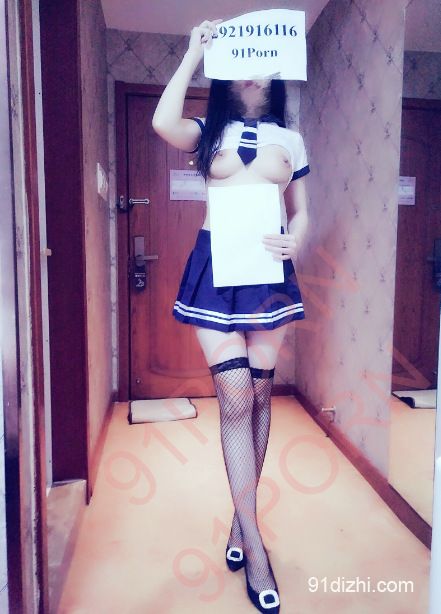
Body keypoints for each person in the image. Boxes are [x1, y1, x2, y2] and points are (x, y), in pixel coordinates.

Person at [152, 18, 310, 614]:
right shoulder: (206, 130)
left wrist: (297, 237)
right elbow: (162, 122)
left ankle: (241, 524)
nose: (252, 74)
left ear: (275, 76)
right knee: (237, 395)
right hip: (215, 267)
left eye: (262, 67)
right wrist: (193, 52)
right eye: (242, 66)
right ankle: (256, 544)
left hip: (268, 274)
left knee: (261, 395)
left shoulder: (291, 140)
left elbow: (301, 210)